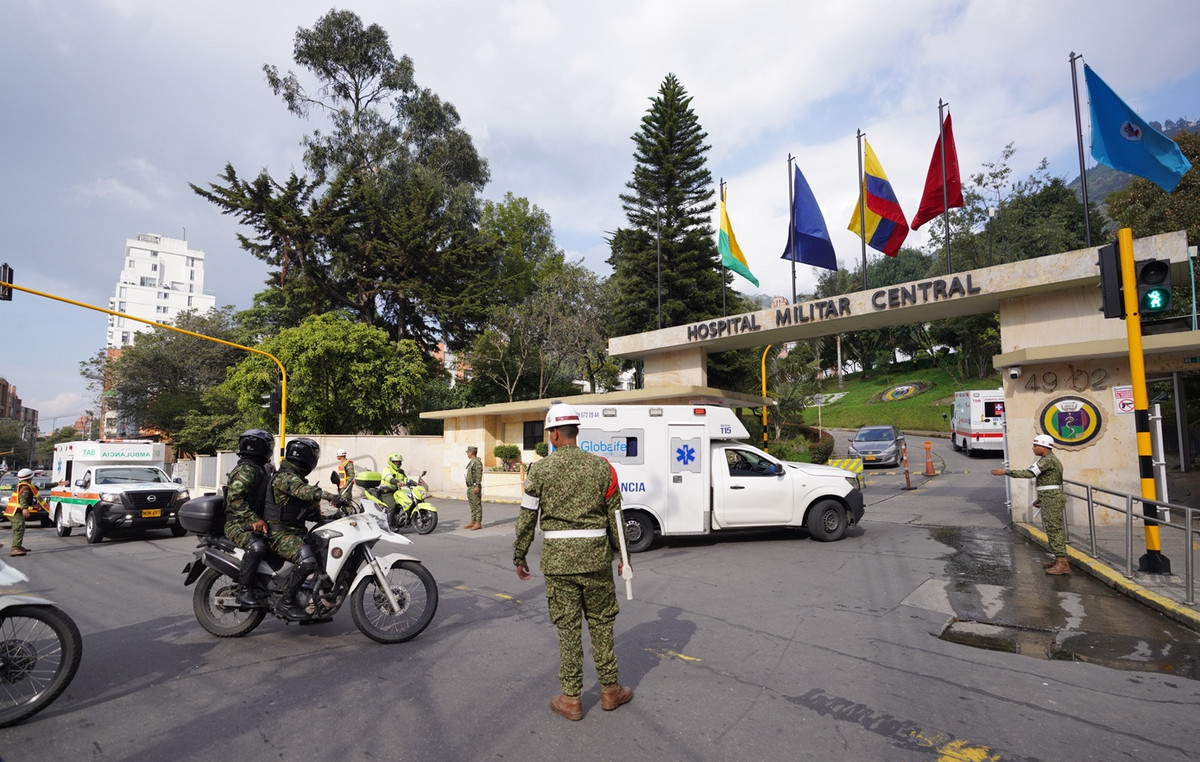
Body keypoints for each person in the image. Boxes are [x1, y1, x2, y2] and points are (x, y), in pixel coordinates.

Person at [514, 403, 633, 721]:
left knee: (568, 629)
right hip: (596, 562)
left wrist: (519, 554)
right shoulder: (602, 467)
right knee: (601, 624)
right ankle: (610, 691)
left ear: (553, 434)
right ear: (575, 432)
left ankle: (571, 699)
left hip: (559, 565)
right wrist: (625, 560)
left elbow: (527, 517)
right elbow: (617, 518)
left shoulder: (540, 470)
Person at [264, 437, 345, 619]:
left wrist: (331, 517)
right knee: (308, 561)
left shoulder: (295, 477)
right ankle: (286, 602)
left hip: (294, 532)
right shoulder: (286, 477)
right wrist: (329, 496)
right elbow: (304, 491)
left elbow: (303, 512)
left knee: (321, 552)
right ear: (307, 458)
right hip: (279, 534)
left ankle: (313, 604)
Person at [992, 434, 1068, 575]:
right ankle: (1058, 559)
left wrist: (1005, 471)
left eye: (1035, 445)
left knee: (1054, 530)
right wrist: (1040, 499)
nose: (1033, 448)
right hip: (1048, 498)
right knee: (1052, 530)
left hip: (1052, 499)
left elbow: (1029, 473)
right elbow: (1048, 482)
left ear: (1045, 447)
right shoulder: (1046, 460)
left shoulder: (1047, 460)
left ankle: (1062, 562)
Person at [223, 429, 275, 608]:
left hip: (254, 522)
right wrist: (254, 519)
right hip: (237, 524)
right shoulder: (246, 470)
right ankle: (244, 591)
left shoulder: (261, 469)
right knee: (257, 546)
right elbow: (235, 499)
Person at [4, 468, 37, 556]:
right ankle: (15, 548)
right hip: (14, 511)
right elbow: (23, 498)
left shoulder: (23, 484)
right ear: (31, 477)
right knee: (19, 528)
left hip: (14, 510)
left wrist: (56, 484)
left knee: (21, 527)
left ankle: (18, 546)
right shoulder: (25, 487)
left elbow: (41, 485)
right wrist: (25, 508)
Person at [464, 445, 483, 530]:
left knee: (477, 505)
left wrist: (477, 486)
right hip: (470, 486)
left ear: (471, 452)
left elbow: (478, 475)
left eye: (468, 452)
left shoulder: (477, 462)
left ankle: (478, 522)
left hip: (474, 486)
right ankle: (473, 521)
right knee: (472, 505)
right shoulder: (472, 462)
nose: (467, 453)